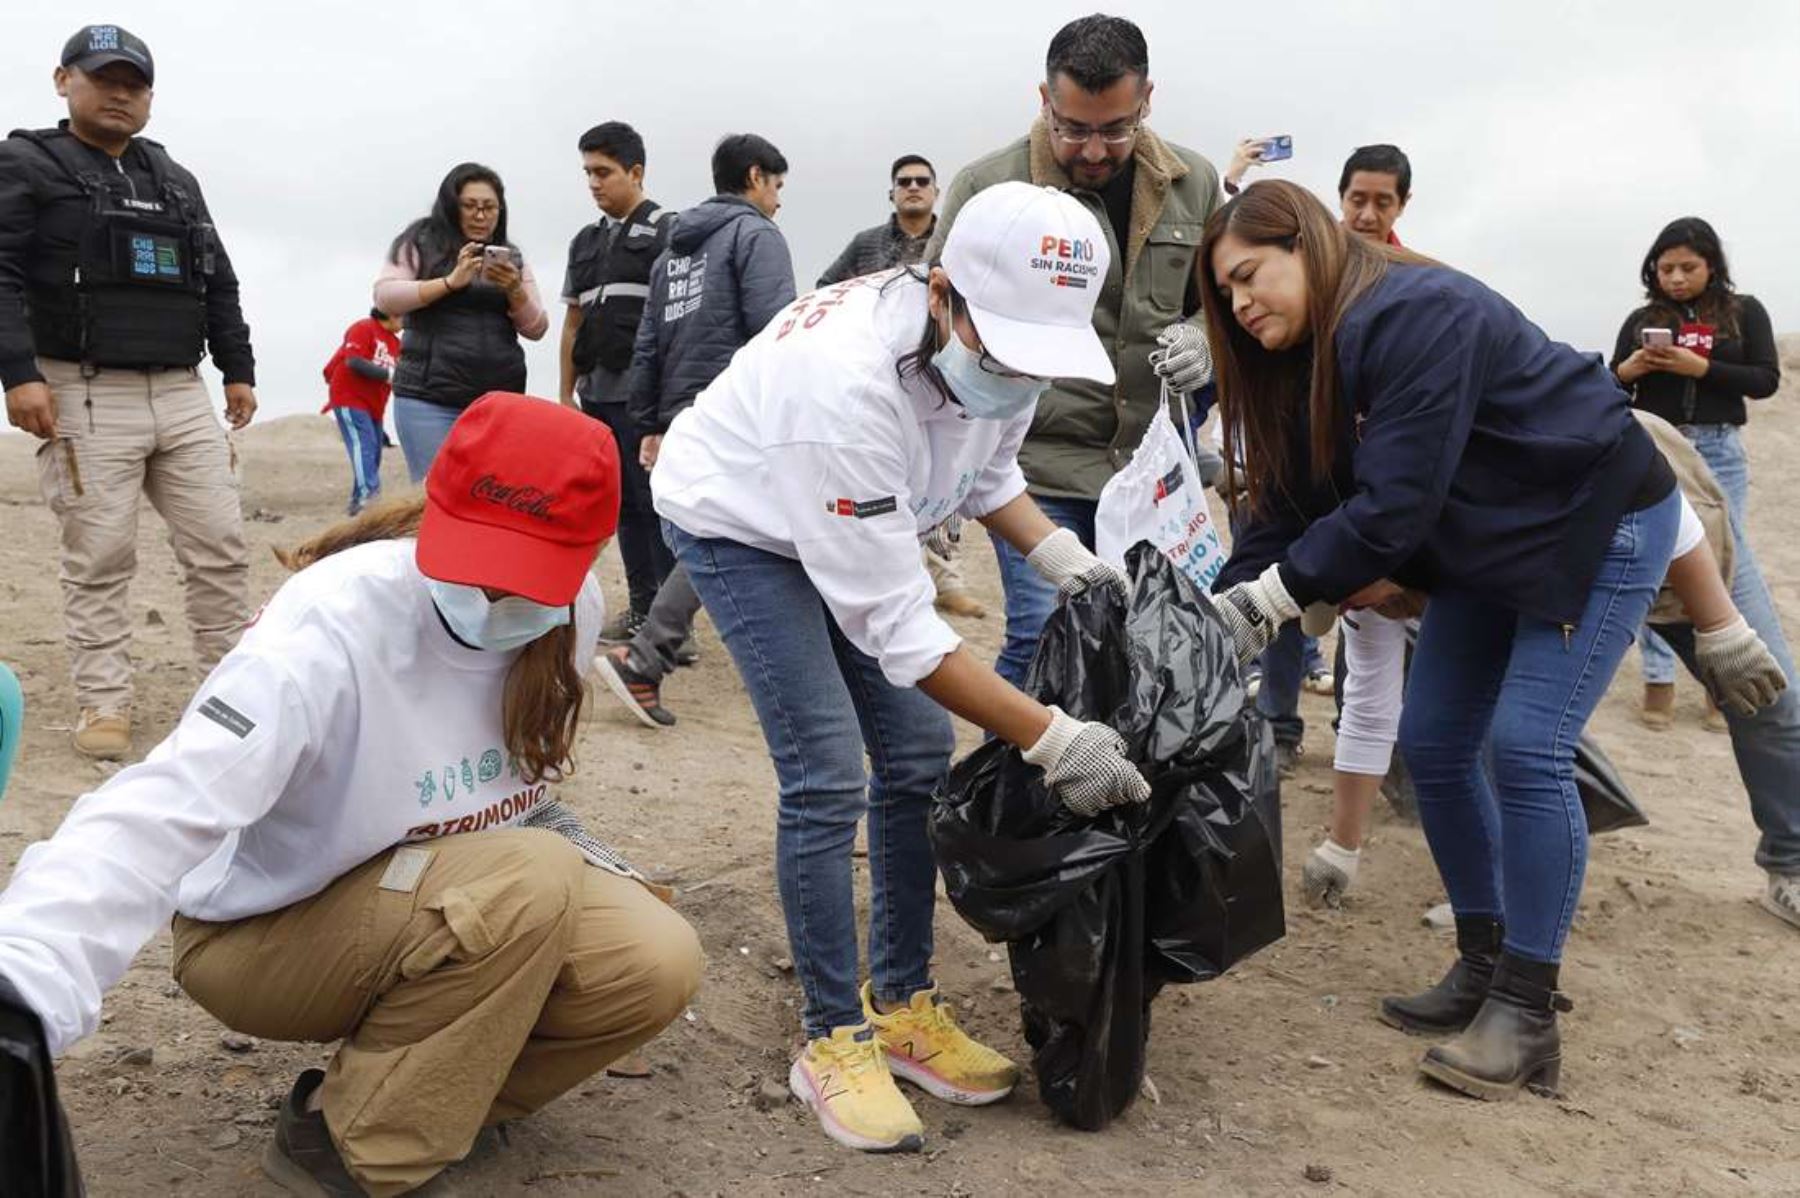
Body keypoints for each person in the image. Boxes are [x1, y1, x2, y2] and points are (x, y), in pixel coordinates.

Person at [0, 393, 704, 1195]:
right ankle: (349, 1148)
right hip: (262, 931)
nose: (495, 599)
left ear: (589, 554)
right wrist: (21, 984)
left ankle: (415, 1099)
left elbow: (523, 799)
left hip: (439, 894)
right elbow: (161, 808)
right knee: (528, 880)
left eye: (528, 577)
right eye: (475, 561)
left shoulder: (574, 612)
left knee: (654, 959)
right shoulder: (329, 628)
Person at [654, 182, 1148, 1152]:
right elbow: (905, 633)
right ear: (944, 296)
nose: (1018, 374)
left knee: (919, 753)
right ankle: (832, 1036)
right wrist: (1054, 740)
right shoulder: (842, 388)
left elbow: (990, 467)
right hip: (742, 521)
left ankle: (903, 1002)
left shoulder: (1004, 348)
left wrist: (1063, 556)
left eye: (1034, 357)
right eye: (1002, 351)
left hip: (854, 516)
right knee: (828, 767)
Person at [1203, 180, 1682, 1100]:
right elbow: (1287, 505)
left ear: (1306, 244)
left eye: (1250, 275)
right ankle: (1483, 958)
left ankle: (1529, 1014)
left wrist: (1271, 600)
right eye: (1225, 294)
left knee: (1526, 745)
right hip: (1488, 540)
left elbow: (1390, 513)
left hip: (1596, 518)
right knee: (1433, 742)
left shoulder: (1416, 315)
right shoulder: (1305, 360)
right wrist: (1215, 613)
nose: (1240, 302)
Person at [926, 13, 1220, 686]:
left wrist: (1204, 338)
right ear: (1044, 101)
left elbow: (1226, 304)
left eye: (1116, 128)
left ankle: (1111, 789)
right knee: (1043, 637)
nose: (1093, 150)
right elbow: (938, 329)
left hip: (1150, 473)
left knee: (1147, 648)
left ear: (1147, 101)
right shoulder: (987, 188)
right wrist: (940, 479)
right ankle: (1012, 787)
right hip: (1036, 467)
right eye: (1073, 127)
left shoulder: (1196, 184)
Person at [0, 25, 257, 762]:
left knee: (219, 545)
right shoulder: (24, 164)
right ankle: (103, 701)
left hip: (181, 390)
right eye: (103, 77)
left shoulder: (173, 177)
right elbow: (2, 275)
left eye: (134, 83)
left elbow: (218, 276)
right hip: (79, 390)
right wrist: (19, 373)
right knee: (101, 555)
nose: (120, 93)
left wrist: (236, 368)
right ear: (63, 81)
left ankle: (230, 691)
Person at [594, 133, 797, 727]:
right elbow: (774, 336)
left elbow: (649, 343)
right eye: (777, 186)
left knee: (717, 526)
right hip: (738, 409)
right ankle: (648, 654)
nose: (779, 201)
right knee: (731, 530)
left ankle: (655, 646)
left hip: (686, 409)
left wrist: (651, 421)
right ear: (756, 177)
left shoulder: (672, 253)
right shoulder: (755, 235)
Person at [1612, 217, 1780, 730]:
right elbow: (1611, 385)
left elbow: (1765, 379)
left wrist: (1701, 369)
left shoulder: (1744, 312)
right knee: (1657, 563)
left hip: (1720, 449)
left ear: (1712, 266)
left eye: (1688, 267)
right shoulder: (1641, 318)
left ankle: (1717, 687)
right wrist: (1632, 368)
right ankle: (1658, 682)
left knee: (1725, 562)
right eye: (1666, 268)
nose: (1677, 277)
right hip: (1659, 445)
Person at [819, 154, 986, 620]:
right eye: (903, 182)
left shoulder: (951, 241)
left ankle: (947, 582)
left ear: (936, 191)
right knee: (886, 489)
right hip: (881, 382)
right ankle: (898, 587)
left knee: (946, 482)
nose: (913, 187)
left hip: (946, 379)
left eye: (922, 181)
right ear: (891, 192)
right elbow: (826, 288)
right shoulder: (865, 245)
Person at [558, 121, 673, 641]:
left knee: (655, 503)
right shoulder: (584, 241)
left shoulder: (670, 230)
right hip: (596, 395)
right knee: (622, 504)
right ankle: (643, 608)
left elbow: (678, 318)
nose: (594, 183)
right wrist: (564, 393)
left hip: (644, 398)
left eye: (603, 172)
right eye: (588, 173)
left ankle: (670, 624)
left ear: (636, 172)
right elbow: (573, 324)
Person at [375, 163, 549, 482]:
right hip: (429, 399)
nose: (480, 216)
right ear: (451, 205)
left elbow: (537, 327)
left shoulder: (511, 256)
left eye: (489, 207)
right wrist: (450, 282)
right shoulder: (420, 240)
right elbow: (386, 297)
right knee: (434, 496)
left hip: (498, 402)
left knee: (490, 498)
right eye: (470, 206)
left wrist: (513, 290)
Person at [321, 307, 403, 516]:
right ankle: (370, 497)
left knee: (374, 453)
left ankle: (358, 502)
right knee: (363, 446)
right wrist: (388, 375)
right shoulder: (364, 327)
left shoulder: (396, 344)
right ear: (392, 313)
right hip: (349, 397)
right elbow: (353, 361)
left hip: (375, 406)